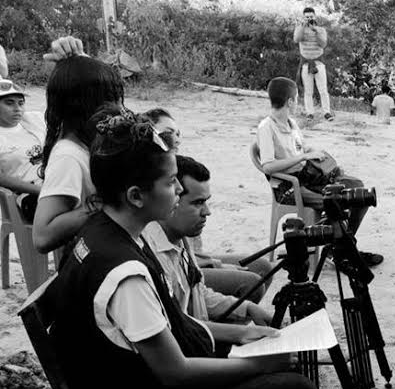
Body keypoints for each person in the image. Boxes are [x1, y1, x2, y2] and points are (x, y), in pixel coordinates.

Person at [50, 110, 367, 389]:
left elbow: (172, 323)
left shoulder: (109, 232)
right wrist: (256, 365)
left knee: (279, 378)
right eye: (170, 183)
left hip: (128, 386)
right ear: (136, 195)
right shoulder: (124, 271)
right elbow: (175, 373)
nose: (179, 190)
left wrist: (240, 336)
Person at [143, 107, 272, 302]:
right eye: (167, 134)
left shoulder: (185, 170)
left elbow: (191, 251)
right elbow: (169, 254)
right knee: (250, 282)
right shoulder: (157, 191)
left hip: (192, 260)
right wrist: (217, 265)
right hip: (178, 266)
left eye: (178, 134)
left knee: (262, 267)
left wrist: (213, 263)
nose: (175, 140)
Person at [141, 155, 275, 340]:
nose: (207, 211)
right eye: (197, 203)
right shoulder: (152, 256)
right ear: (171, 199)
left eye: (206, 201)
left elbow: (199, 291)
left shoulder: (180, 237)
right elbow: (176, 326)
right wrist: (239, 334)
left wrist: (247, 308)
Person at [256, 77, 382, 266]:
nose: (297, 102)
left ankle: (338, 249)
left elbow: (302, 147)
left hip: (310, 177)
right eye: (296, 99)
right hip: (291, 186)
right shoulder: (266, 127)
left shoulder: (291, 123)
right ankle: (344, 253)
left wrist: (315, 154)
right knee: (339, 201)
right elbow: (267, 166)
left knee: (360, 193)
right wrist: (302, 158)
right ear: (290, 101)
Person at [32, 55, 125, 253]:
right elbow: (42, 235)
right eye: (112, 99)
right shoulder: (68, 157)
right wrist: (103, 204)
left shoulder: (88, 144)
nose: (119, 108)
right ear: (87, 105)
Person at [0, 78, 45, 221]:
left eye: (21, 103)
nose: (17, 109)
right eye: (9, 103)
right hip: (27, 194)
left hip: (53, 182)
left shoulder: (33, 120)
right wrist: (41, 190)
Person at [293, 7, 333, 121]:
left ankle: (327, 112)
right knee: (308, 91)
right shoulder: (299, 28)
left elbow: (323, 44)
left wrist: (316, 31)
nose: (309, 19)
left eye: (311, 16)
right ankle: (309, 113)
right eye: (307, 17)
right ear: (303, 17)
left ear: (315, 17)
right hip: (306, 62)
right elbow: (297, 39)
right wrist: (302, 26)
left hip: (318, 62)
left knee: (323, 90)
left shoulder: (321, 29)